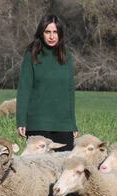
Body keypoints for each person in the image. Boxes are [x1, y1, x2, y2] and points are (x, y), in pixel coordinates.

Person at [16, 14, 78, 151]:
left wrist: (72, 123)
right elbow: (24, 89)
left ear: (60, 34)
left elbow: (69, 92)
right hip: (37, 123)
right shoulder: (31, 54)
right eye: (48, 32)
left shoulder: (66, 56)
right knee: (37, 168)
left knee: (64, 167)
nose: (51, 36)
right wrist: (21, 120)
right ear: (41, 33)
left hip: (63, 124)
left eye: (55, 32)